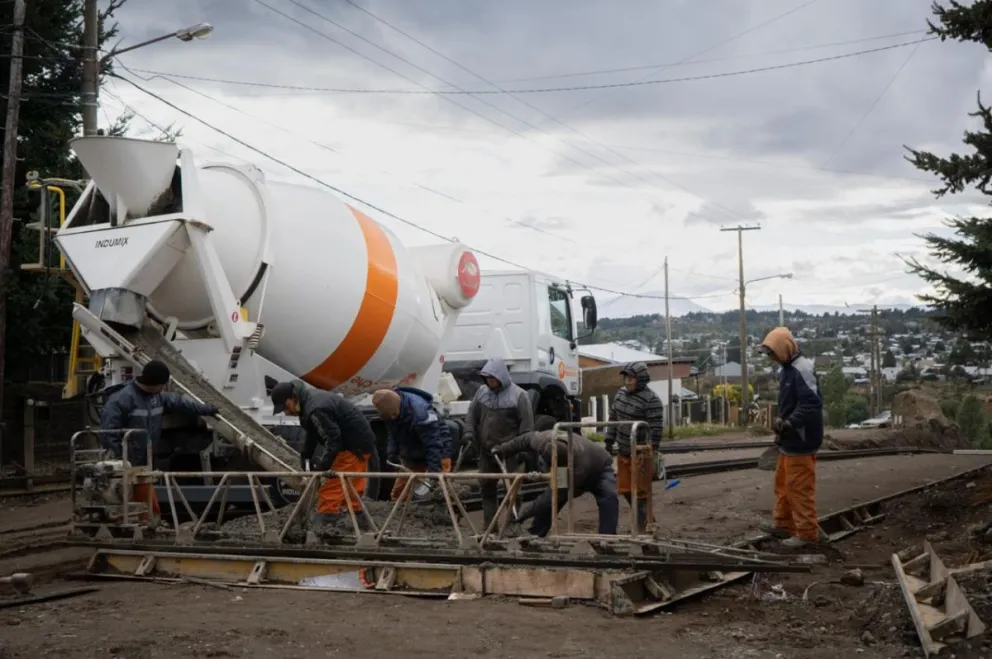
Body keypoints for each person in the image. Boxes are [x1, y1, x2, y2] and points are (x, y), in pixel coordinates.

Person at [99, 360, 218, 523]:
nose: (164, 388)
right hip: (126, 462)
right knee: (122, 499)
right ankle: (124, 527)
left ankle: (148, 525)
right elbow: (108, 433)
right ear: (152, 384)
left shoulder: (157, 397)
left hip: (145, 461)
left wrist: (207, 409)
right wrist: (122, 459)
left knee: (145, 498)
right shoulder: (121, 400)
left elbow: (180, 402)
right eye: (162, 385)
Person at [270, 380, 377, 529]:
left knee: (331, 488)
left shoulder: (316, 409)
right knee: (350, 486)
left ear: (293, 398)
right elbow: (313, 432)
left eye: (286, 407)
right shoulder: (309, 402)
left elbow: (333, 440)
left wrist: (322, 468)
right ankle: (361, 524)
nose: (286, 412)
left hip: (353, 447)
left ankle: (321, 527)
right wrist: (306, 454)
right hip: (358, 443)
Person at [494, 418, 618, 537]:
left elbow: (553, 495)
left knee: (609, 497)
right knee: (551, 501)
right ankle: (534, 534)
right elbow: (523, 440)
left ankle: (607, 538)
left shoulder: (578, 465)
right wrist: (503, 449)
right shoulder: (542, 440)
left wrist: (525, 513)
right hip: (573, 464)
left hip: (600, 467)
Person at [759, 327, 824, 548]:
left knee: (798, 488)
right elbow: (792, 402)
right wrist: (782, 423)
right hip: (790, 438)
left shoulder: (801, 369)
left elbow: (811, 404)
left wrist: (790, 422)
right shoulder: (788, 368)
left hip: (802, 439)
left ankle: (806, 535)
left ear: (784, 348)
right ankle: (784, 525)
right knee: (783, 485)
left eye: (773, 353)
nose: (772, 358)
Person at [466, 357, 534, 527]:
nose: (490, 381)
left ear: (501, 377)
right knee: (487, 489)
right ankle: (490, 526)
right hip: (487, 452)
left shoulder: (519, 396)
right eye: (487, 378)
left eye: (493, 378)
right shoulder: (482, 392)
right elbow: (471, 414)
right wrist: (468, 432)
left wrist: (522, 450)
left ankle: (512, 526)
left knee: (513, 490)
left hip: (509, 452)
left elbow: (526, 427)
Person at [603, 362, 664, 533]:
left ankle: (644, 528)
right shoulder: (620, 394)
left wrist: (651, 455)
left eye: (632, 379)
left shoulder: (652, 401)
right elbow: (613, 417)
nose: (628, 382)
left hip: (641, 455)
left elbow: (656, 431)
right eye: (626, 378)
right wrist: (609, 440)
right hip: (623, 451)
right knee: (626, 490)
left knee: (641, 493)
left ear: (642, 380)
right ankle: (645, 521)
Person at [371, 386, 453, 501]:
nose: (393, 417)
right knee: (399, 494)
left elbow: (433, 444)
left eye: (394, 415)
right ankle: (400, 515)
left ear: (398, 407)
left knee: (442, 492)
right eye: (391, 417)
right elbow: (393, 433)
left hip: (438, 450)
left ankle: (447, 514)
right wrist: (391, 453)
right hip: (412, 451)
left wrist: (435, 474)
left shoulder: (420, 413)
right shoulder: (389, 412)